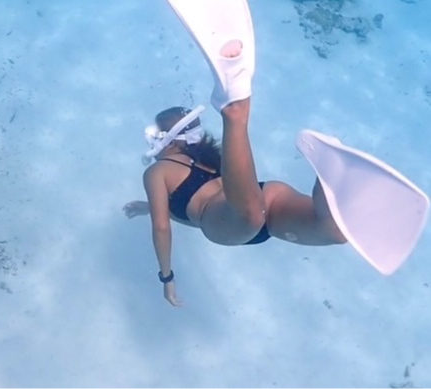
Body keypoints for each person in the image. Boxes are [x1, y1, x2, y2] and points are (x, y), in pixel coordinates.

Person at [123, 97, 347, 307]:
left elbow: (162, 228)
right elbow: (186, 205)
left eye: (153, 133)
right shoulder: (207, 158)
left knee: (250, 214)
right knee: (334, 231)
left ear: (167, 140)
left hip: (239, 218)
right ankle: (328, 169)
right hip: (265, 195)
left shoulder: (156, 172)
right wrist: (150, 207)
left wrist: (167, 278)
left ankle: (235, 116)